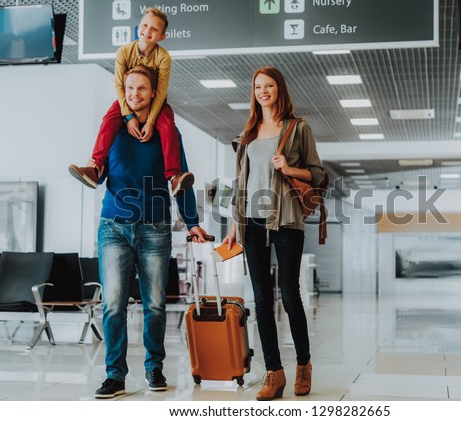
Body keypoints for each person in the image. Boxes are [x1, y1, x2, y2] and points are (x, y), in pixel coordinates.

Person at [94, 65, 208, 399]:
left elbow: (181, 178)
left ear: (154, 93)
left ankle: (153, 367)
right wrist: (94, 168)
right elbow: (99, 172)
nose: (135, 95)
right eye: (129, 88)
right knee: (113, 305)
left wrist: (192, 222)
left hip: (155, 227)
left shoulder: (166, 130)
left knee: (155, 305)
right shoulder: (114, 127)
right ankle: (115, 375)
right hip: (113, 225)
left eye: (142, 89)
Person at [222, 66, 327, 401]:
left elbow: (318, 174)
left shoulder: (298, 128)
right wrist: (232, 225)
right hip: (251, 221)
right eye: (257, 87)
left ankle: (303, 366)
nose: (262, 91)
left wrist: (289, 168)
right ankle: (273, 373)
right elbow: (240, 183)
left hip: (285, 220)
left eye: (268, 86)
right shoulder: (249, 132)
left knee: (290, 295)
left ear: (279, 89)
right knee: (261, 300)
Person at [69, 7, 193, 196]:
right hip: (125, 100)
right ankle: (94, 168)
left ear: (162, 36)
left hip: (156, 101)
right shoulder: (124, 52)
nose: (147, 31)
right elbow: (119, 85)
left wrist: (151, 121)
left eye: (154, 29)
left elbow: (159, 92)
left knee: (168, 127)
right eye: (144, 25)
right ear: (138, 26)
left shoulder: (164, 58)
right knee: (108, 121)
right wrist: (128, 116)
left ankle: (173, 176)